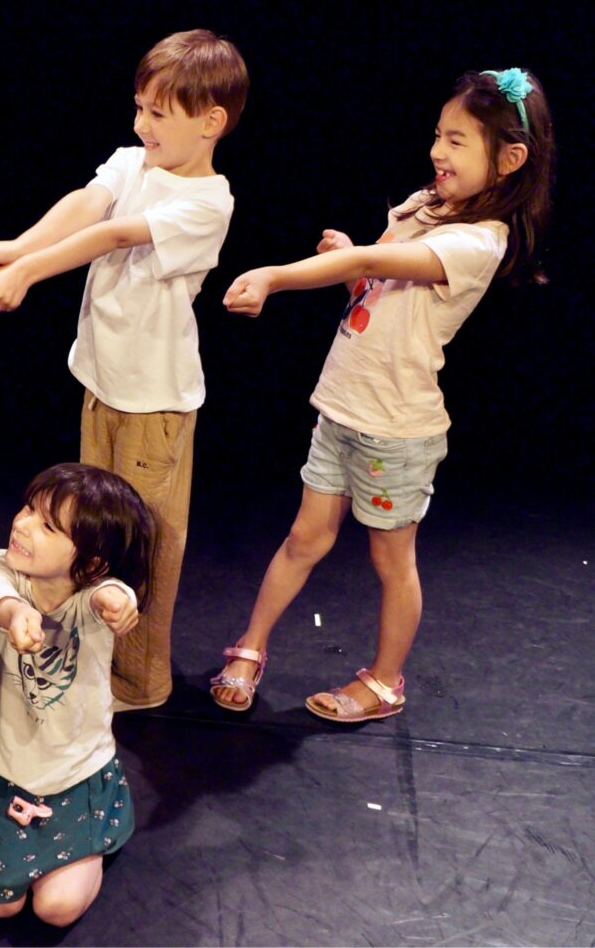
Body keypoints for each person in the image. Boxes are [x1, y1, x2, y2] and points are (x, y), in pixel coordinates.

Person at [211, 68, 554, 720]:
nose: (437, 151)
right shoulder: (424, 205)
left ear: (508, 159)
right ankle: (250, 646)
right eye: (437, 135)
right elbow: (372, 286)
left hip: (395, 428)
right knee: (303, 538)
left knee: (391, 562)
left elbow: (369, 264)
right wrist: (348, 259)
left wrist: (275, 276)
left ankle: (383, 683)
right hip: (342, 407)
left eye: (457, 141)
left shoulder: (479, 241)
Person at [0, 29, 249, 709]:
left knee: (144, 541)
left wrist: (29, 273)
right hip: (103, 384)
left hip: (154, 402)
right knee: (94, 535)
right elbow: (84, 206)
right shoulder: (132, 163)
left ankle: (139, 680)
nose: (140, 124)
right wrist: (18, 246)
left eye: (157, 112)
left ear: (210, 122)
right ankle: (97, 660)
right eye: (139, 107)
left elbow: (113, 235)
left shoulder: (208, 202)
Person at [0, 463, 154, 926]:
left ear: (91, 563)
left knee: (57, 909)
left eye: (47, 526)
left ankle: (85, 848)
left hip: (72, 774)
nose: (22, 525)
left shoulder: (93, 596)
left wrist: (118, 604)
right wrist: (15, 612)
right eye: (28, 509)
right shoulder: (4, 569)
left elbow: (113, 596)